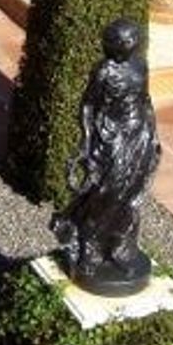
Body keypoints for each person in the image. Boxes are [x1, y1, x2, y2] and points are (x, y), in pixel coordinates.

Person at [52, 18, 162, 296]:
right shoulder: (103, 72)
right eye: (119, 41)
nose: (126, 45)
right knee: (107, 192)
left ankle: (121, 247)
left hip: (138, 134)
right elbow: (88, 106)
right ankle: (89, 246)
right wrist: (87, 142)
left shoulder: (141, 65)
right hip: (111, 137)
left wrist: (152, 133)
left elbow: (145, 100)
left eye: (130, 40)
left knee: (132, 192)